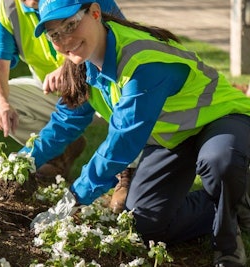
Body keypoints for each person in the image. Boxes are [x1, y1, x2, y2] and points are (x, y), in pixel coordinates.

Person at [27, 0, 250, 266]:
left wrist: (74, 196)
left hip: (220, 120)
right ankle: (240, 197)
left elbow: (123, 142)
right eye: (55, 35)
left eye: (71, 24)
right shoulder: (81, 66)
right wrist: (24, 161)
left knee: (219, 161)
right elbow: (65, 123)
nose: (65, 39)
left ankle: (226, 244)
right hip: (172, 138)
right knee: (145, 227)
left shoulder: (141, 61)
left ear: (95, 13)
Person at [0, 0, 126, 182]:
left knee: (129, 105)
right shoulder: (5, 9)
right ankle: (58, 153)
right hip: (56, 93)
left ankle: (128, 171)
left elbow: (117, 39)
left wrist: (72, 66)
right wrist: (1, 104)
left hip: (100, 84)